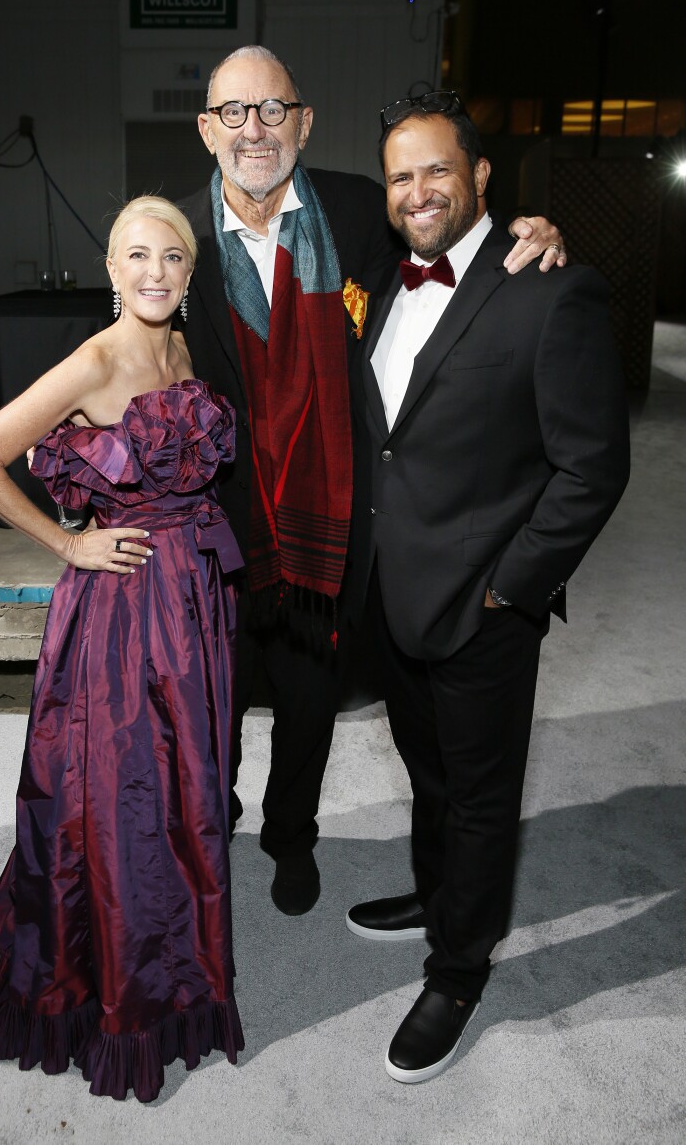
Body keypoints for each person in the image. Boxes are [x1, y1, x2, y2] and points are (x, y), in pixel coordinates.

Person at [176, 44, 567, 916]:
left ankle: (291, 837)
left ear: (305, 122)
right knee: (209, 711)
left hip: (329, 531)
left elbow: (449, 238)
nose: (254, 129)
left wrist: (527, 232)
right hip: (221, 532)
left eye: (274, 109)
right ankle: (209, 829)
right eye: (234, 111)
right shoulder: (181, 243)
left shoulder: (359, 210)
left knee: (309, 706)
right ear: (207, 130)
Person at [345, 92, 630, 1082]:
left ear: (479, 176)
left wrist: (512, 588)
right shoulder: (381, 279)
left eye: (436, 169)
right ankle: (438, 896)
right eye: (399, 176)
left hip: (482, 607)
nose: (417, 190)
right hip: (390, 595)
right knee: (427, 773)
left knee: (479, 798)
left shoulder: (551, 289)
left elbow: (593, 466)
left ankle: (460, 969)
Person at [0, 196, 245, 1103]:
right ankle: (127, 985)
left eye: (173, 258)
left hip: (194, 601)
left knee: (189, 790)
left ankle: (183, 955)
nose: (156, 273)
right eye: (137, 256)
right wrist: (68, 543)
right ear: (111, 270)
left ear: (190, 273)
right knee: (121, 801)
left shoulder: (183, 350)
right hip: (124, 614)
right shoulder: (96, 360)